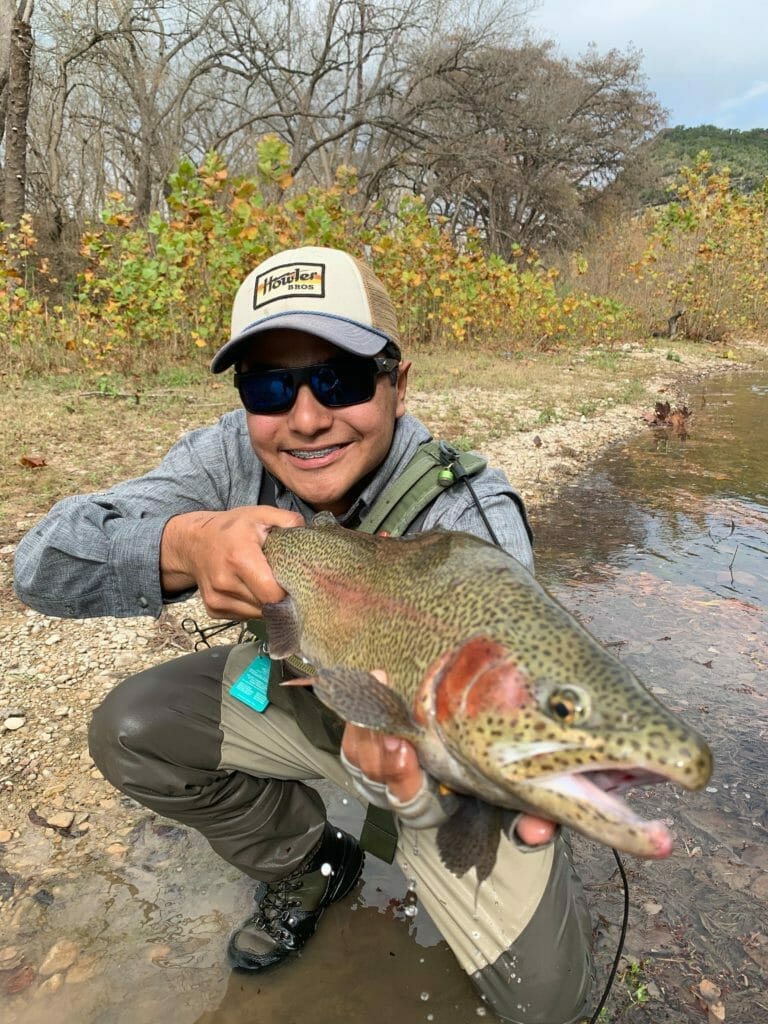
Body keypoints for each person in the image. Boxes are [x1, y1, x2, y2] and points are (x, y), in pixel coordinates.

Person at [14, 246, 593, 1023]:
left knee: (546, 1002)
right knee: (133, 730)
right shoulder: (227, 453)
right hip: (294, 697)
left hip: (421, 758)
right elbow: (41, 563)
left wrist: (417, 764)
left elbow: (509, 718)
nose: (307, 415)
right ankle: (313, 866)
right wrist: (186, 543)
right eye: (270, 384)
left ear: (398, 383)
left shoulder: (467, 516)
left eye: (341, 378)